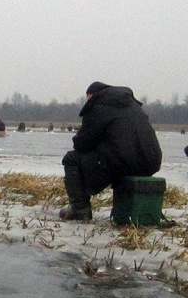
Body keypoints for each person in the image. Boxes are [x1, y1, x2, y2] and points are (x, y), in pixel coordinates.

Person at [60, 82, 163, 221]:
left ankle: (80, 209)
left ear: (91, 95)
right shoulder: (134, 106)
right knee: (116, 158)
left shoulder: (98, 106)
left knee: (71, 159)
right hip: (151, 162)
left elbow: (82, 144)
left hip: (123, 162)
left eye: (87, 97)